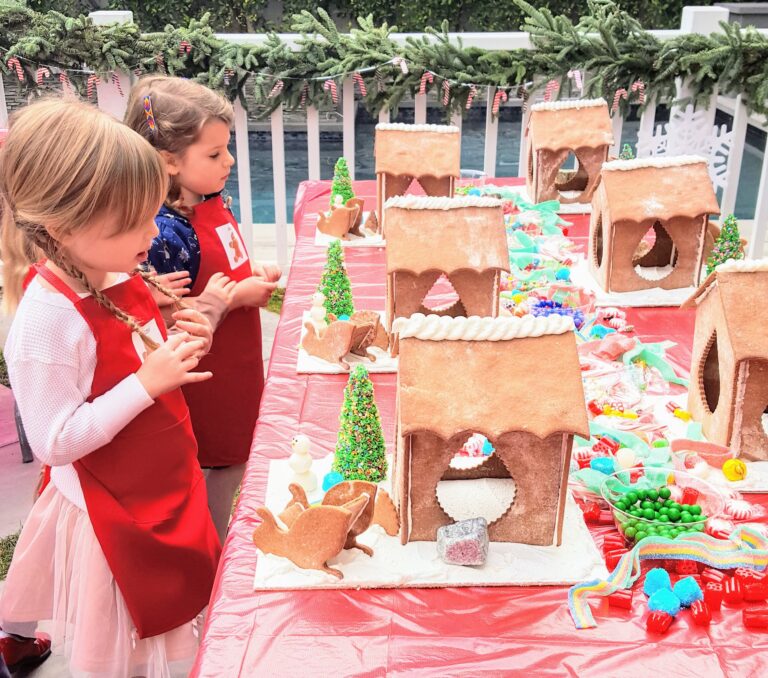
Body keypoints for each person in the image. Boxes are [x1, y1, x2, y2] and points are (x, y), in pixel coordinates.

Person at [0, 97, 221, 677]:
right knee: (123, 637)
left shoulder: (115, 266)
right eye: (133, 222)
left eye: (151, 214)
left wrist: (174, 332)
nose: (153, 231)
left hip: (161, 477)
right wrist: (149, 383)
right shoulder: (46, 319)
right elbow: (55, 441)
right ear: (62, 228)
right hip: (112, 508)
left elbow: (127, 346)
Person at [124, 76, 281, 543]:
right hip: (205, 379)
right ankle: (215, 553)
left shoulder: (208, 201)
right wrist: (233, 296)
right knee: (220, 464)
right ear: (169, 162)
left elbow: (221, 268)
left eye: (226, 149)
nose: (229, 161)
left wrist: (252, 277)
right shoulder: (165, 234)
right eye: (214, 155)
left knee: (236, 458)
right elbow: (157, 316)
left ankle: (218, 541)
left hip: (237, 365)